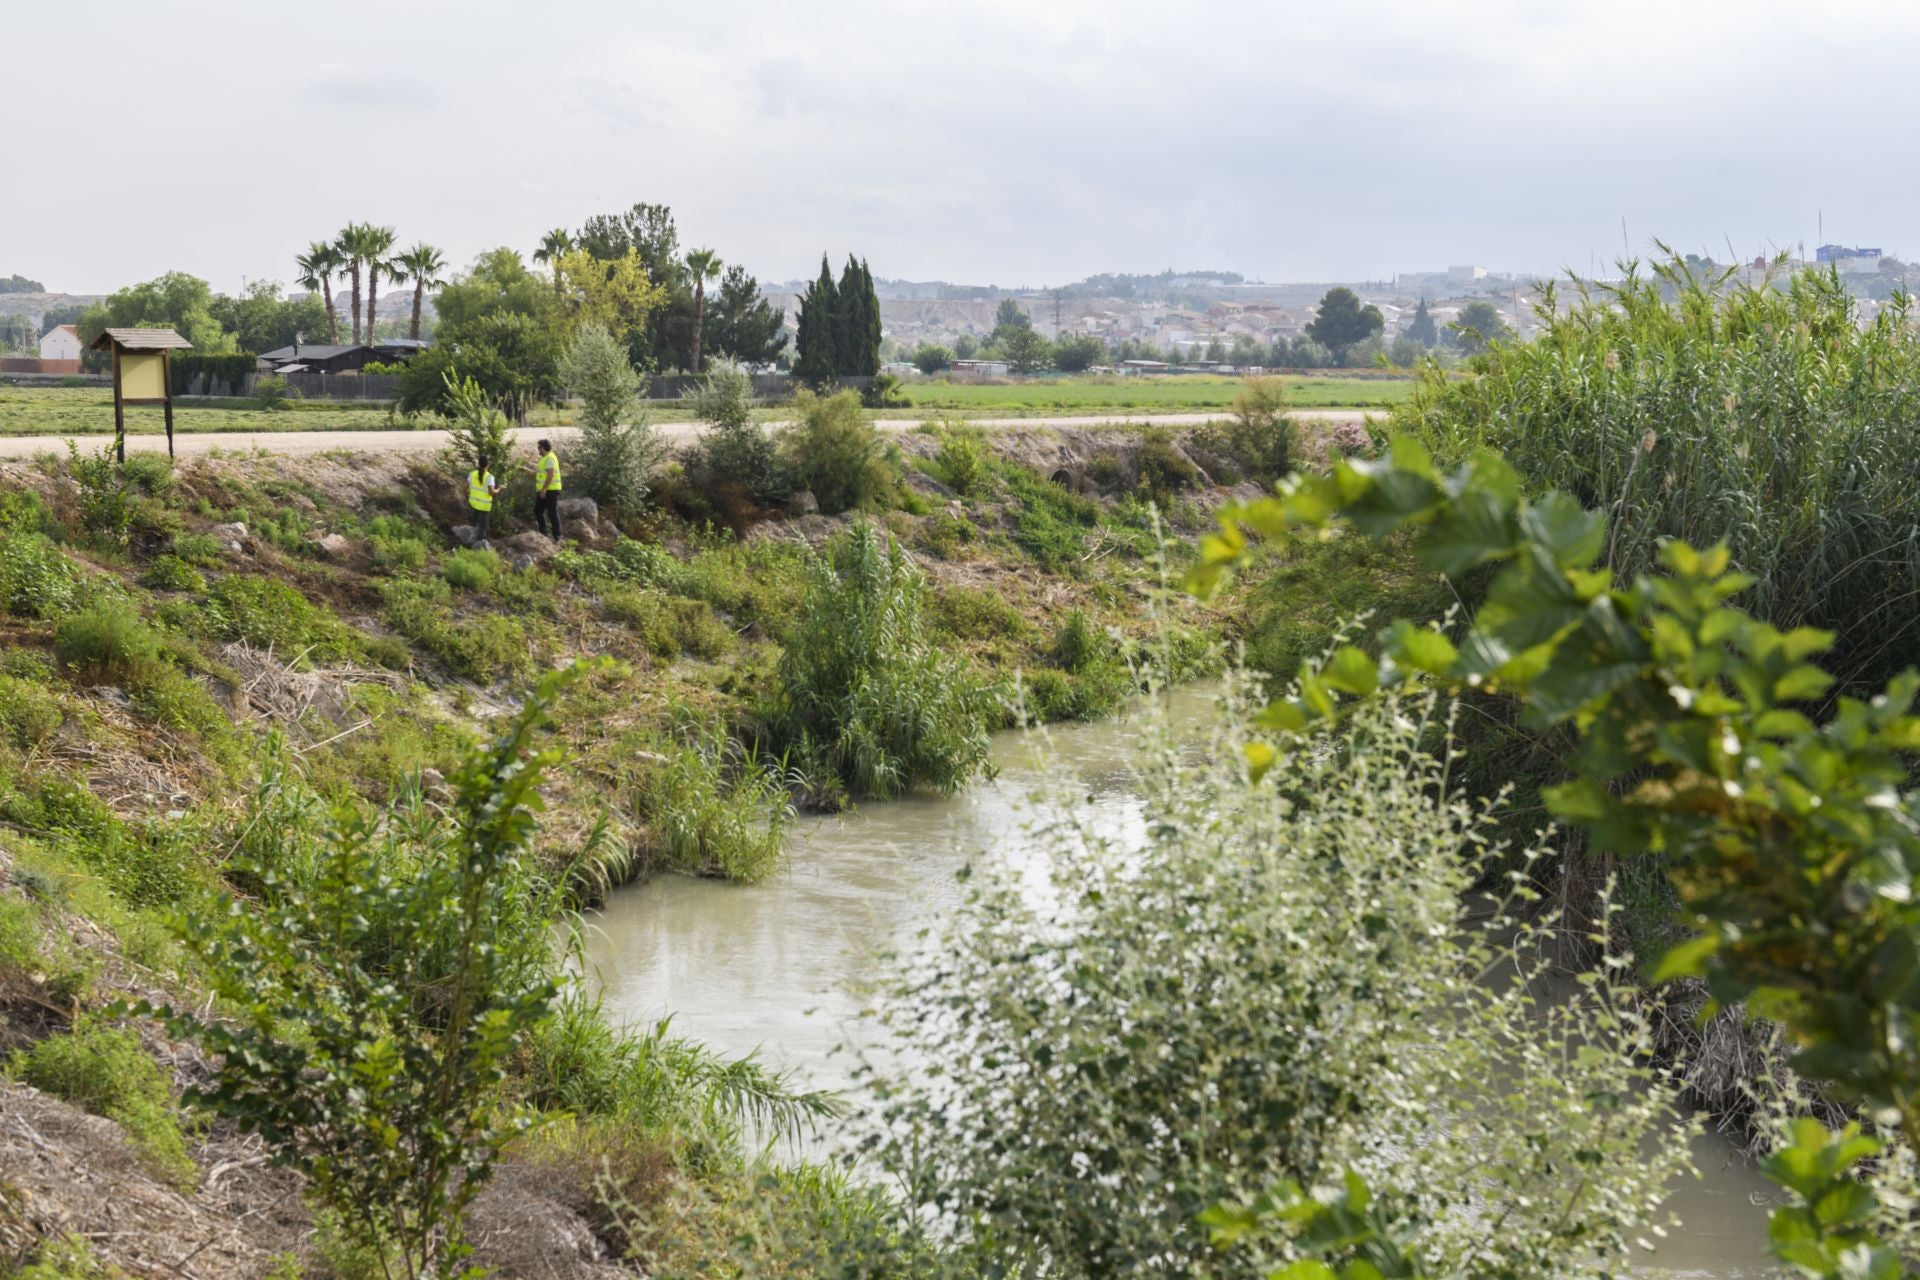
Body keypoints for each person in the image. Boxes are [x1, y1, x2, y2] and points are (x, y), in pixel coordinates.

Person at [531, 438, 563, 541]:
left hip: (551, 490)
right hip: (545, 490)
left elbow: (550, 475)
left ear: (543, 448)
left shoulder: (549, 458)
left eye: (539, 448)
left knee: (552, 512)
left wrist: (544, 490)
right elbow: (538, 474)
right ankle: (543, 533)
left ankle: (557, 536)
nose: (538, 450)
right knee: (538, 510)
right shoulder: (544, 459)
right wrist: (524, 469)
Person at [467, 453, 500, 545]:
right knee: (482, 528)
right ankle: (478, 547)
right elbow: (492, 492)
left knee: (473, 525)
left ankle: (469, 543)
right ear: (488, 464)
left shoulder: (472, 474)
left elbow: (465, 488)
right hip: (484, 506)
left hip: (473, 503)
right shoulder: (490, 477)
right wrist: (500, 489)